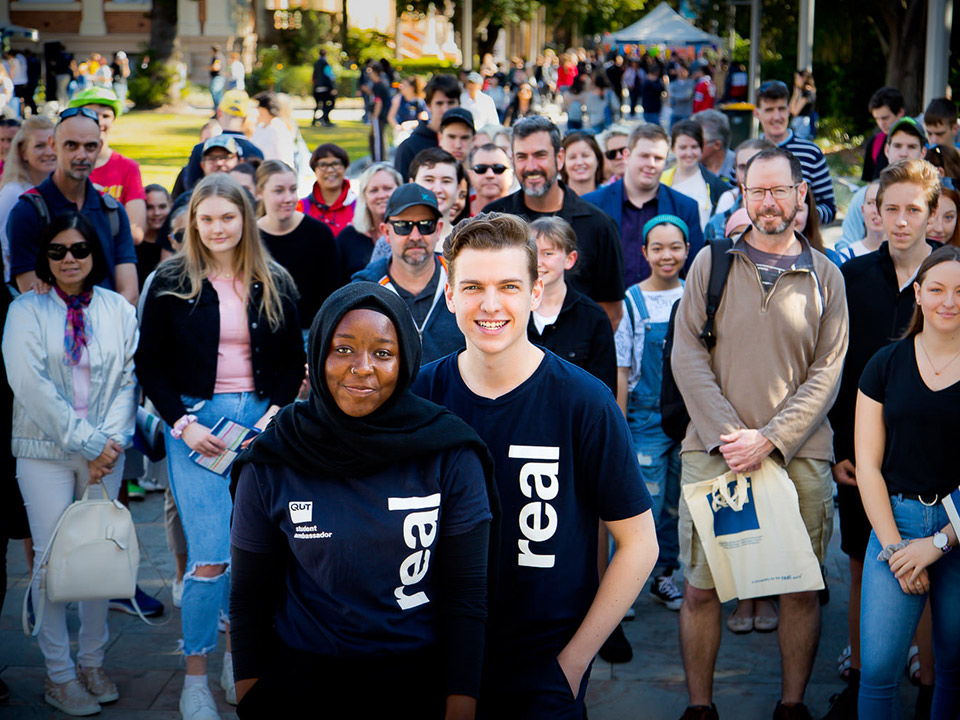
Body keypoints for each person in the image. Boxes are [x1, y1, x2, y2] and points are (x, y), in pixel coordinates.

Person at [412, 212, 657, 717]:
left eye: (508, 285)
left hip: (543, 670)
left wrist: (571, 665)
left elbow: (639, 544)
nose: (491, 304)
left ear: (535, 290)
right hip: (433, 658)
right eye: (473, 286)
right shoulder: (421, 396)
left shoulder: (583, 402)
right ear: (451, 293)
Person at [229, 281, 495, 717]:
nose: (363, 367)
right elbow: (247, 597)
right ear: (316, 357)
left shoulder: (449, 451)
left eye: (383, 353)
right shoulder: (274, 458)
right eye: (343, 349)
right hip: (303, 679)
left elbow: (467, 594)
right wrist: (250, 696)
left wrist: (461, 705)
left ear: (406, 360)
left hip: (417, 681)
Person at [672, 146, 848, 720]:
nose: (767, 203)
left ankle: (791, 705)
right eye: (756, 192)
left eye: (779, 191)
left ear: (802, 195)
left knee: (798, 586)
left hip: (799, 456)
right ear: (742, 197)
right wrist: (731, 435)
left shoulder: (827, 276)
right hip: (714, 452)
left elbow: (828, 372)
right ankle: (701, 707)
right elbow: (686, 355)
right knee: (701, 587)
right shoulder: (711, 263)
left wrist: (770, 438)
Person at [136, 174, 304, 719]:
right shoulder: (170, 282)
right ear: (193, 224)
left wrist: (273, 418)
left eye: (227, 217)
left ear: (246, 217)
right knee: (210, 556)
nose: (217, 228)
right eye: (206, 219)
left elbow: (288, 364)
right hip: (196, 428)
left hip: (259, 424)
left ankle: (241, 658)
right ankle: (195, 677)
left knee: (252, 555)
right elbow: (150, 365)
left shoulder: (273, 280)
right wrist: (182, 425)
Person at [3, 211, 137, 716]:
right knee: (53, 563)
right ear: (45, 256)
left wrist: (112, 442)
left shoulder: (117, 310)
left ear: (94, 252)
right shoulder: (25, 310)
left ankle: (92, 661)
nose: (68, 259)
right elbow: (29, 384)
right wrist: (87, 444)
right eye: (57, 251)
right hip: (46, 452)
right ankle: (58, 674)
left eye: (78, 249)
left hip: (106, 451)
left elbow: (129, 378)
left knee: (99, 559)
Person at [824, 159, 941, 718]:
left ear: (933, 215)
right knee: (859, 562)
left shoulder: (945, 285)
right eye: (889, 208)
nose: (899, 221)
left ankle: (928, 681)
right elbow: (838, 367)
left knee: (931, 576)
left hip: (928, 458)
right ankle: (862, 673)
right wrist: (841, 447)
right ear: (874, 210)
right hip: (861, 454)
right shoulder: (852, 278)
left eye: (912, 210)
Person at [855, 244, 960, 719]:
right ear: (917, 294)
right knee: (877, 670)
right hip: (894, 521)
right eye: (936, 289)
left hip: (958, 528)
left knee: (955, 665)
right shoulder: (885, 363)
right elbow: (868, 465)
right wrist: (898, 549)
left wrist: (938, 543)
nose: (949, 301)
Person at [615, 214, 690, 613]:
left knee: (676, 502)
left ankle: (664, 574)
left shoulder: (694, 294)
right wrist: (621, 424)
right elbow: (623, 367)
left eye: (675, 247)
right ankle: (624, 584)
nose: (667, 255)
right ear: (644, 252)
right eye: (657, 248)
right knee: (646, 501)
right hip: (644, 418)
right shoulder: (631, 300)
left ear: (687, 250)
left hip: (688, 417)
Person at [484, 117, 626, 328]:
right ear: (512, 160)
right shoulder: (493, 219)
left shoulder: (598, 225)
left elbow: (611, 314)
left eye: (540, 155)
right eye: (522, 157)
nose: (531, 167)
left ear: (559, 158)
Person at [7, 108, 138, 305]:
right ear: (54, 145)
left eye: (90, 147)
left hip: (109, 329)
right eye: (71, 145)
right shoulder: (28, 212)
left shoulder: (112, 211)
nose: (81, 155)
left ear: (100, 146)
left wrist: (108, 326)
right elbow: (33, 299)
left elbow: (129, 291)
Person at [352, 184, 463, 364]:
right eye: (403, 226)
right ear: (386, 232)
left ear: (438, 229)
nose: (415, 236)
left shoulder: (464, 280)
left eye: (426, 225)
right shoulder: (364, 291)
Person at [584, 123, 704, 288]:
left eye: (659, 158)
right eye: (644, 156)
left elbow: (695, 272)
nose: (651, 164)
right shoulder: (593, 204)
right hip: (607, 308)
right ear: (626, 155)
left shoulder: (685, 208)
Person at [527, 216, 617, 393]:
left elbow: (604, 389)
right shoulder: (511, 310)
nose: (538, 262)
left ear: (570, 259)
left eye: (548, 253)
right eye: (533, 252)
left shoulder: (593, 318)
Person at [255, 160, 340, 335]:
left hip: (312, 332)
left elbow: (334, 294)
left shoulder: (319, 233)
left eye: (293, 190)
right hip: (264, 333)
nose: (288, 198)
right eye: (279, 191)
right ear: (260, 193)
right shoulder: (250, 236)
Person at [68, 86, 147, 244]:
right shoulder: (64, 166)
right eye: (92, 114)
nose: (100, 121)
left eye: (106, 115)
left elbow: (136, 234)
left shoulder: (128, 167)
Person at [839, 117, 928, 255]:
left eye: (911, 147)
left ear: (923, 152)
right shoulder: (864, 196)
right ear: (887, 150)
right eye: (897, 146)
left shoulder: (931, 196)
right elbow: (845, 246)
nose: (904, 153)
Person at [754, 79, 837, 224]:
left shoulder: (811, 153)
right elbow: (734, 203)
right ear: (757, 113)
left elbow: (830, 209)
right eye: (769, 110)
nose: (777, 117)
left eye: (781, 109)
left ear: (789, 109)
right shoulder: (748, 153)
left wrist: (803, 213)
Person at [0, 116, 55, 281]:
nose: (49, 152)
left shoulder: (59, 190)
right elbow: (5, 248)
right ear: (23, 153)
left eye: (53, 144)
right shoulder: (13, 193)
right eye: (40, 146)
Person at [182, 91, 264, 193]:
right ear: (245, 118)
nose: (219, 163)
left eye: (225, 157)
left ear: (219, 112)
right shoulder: (256, 153)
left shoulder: (200, 149)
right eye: (213, 158)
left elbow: (190, 189)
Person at [336, 162, 400, 282]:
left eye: (388, 188)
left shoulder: (413, 231)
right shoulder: (347, 238)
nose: (381, 195)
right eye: (374, 190)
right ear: (364, 196)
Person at [660, 120, 729, 230]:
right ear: (673, 149)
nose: (689, 153)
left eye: (694, 147)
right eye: (683, 147)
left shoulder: (715, 184)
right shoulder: (660, 179)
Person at [704, 138, 774, 243]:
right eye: (742, 167)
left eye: (755, 165)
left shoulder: (785, 217)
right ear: (735, 171)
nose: (748, 173)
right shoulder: (716, 224)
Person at [394, 74, 460, 182]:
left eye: (451, 103)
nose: (445, 109)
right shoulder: (409, 148)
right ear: (429, 106)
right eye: (439, 103)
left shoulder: (466, 143)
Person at [301, 143, 356, 236]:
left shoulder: (359, 206)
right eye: (323, 165)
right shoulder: (301, 207)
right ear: (314, 170)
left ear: (345, 167)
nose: (330, 170)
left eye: (336, 164)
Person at [861, 87, 906, 182]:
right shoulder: (874, 143)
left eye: (885, 118)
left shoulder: (919, 142)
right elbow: (868, 183)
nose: (881, 124)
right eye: (877, 119)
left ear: (900, 112)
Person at [838, 181, 884, 261]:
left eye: (882, 203)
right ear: (862, 210)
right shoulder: (846, 256)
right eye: (870, 203)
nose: (876, 210)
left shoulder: (902, 256)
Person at [250, 91, 295, 169]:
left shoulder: (278, 128)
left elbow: (284, 158)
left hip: (274, 172)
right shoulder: (260, 127)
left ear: (265, 110)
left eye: (258, 108)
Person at [139, 184, 171, 288]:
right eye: (150, 207)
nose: (156, 213)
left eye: (162, 207)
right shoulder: (134, 243)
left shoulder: (176, 242)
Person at [468, 142, 515, 213]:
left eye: (498, 168)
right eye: (480, 169)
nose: (490, 175)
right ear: (470, 175)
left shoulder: (526, 212)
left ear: (511, 176)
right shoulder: (456, 211)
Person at [692, 109, 736, 181]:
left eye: (697, 141)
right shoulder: (687, 167)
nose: (689, 148)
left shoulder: (739, 168)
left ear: (717, 145)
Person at [560, 132, 604, 197]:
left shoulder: (612, 198)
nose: (579, 162)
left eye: (585, 156)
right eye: (572, 157)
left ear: (597, 160)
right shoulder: (555, 200)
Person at [387, 76, 427, 145]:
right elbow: (390, 117)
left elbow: (424, 120)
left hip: (415, 132)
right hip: (401, 132)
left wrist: (410, 124)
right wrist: (397, 127)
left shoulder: (419, 102)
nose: (401, 87)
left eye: (404, 85)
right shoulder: (398, 99)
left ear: (411, 88)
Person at [367, 63, 391, 164]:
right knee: (374, 137)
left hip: (379, 116)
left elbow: (378, 102)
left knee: (378, 139)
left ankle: (378, 160)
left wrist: (375, 116)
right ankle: (378, 159)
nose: (368, 73)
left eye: (370, 71)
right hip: (380, 116)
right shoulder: (380, 84)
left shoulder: (379, 85)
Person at [310, 50, 337, 128]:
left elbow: (314, 76)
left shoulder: (316, 64)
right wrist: (333, 87)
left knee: (318, 104)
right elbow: (330, 76)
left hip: (317, 87)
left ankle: (315, 120)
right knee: (328, 104)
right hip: (325, 87)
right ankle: (324, 119)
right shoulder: (325, 64)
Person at [789, 69, 817, 141]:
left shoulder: (808, 93)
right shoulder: (803, 93)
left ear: (803, 78)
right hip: (799, 123)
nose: (795, 80)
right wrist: (795, 95)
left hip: (802, 125)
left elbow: (795, 111)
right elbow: (790, 109)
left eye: (797, 78)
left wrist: (795, 95)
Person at [208, 46, 225, 112]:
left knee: (215, 92)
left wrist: (209, 67)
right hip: (219, 77)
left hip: (218, 77)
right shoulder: (221, 56)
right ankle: (219, 109)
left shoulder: (217, 57)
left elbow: (216, 67)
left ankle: (218, 109)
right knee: (218, 93)